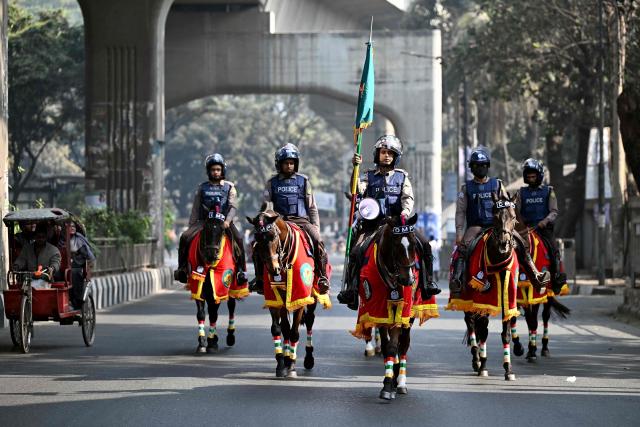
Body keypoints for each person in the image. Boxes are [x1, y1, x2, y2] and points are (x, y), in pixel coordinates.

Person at [338, 135, 440, 307]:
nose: (386, 156)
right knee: (356, 251)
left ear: (395, 157)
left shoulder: (402, 177)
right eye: (383, 152)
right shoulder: (367, 176)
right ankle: (352, 289)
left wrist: (405, 214)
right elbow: (357, 190)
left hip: (398, 224)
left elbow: (408, 198)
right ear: (377, 154)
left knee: (424, 244)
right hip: (373, 225)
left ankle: (427, 283)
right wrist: (355, 168)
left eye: (390, 153)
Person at [450, 147, 550, 295]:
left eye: (483, 165)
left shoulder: (497, 184)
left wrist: (511, 220)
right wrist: (459, 233)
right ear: (471, 167)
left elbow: (507, 204)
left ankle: (536, 276)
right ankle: (457, 280)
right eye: (477, 165)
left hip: (497, 225)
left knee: (521, 244)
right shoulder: (466, 188)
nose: (480, 168)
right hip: (476, 226)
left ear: (488, 166)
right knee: (463, 248)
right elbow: (460, 212)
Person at [254, 143, 329, 294]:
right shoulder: (271, 182)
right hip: (278, 222)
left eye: (292, 163)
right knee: (257, 245)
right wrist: (266, 218)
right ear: (279, 164)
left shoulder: (304, 181)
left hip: (301, 220)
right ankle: (259, 280)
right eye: (286, 163)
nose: (289, 166)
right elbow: (267, 205)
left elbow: (312, 207)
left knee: (318, 242)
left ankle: (321, 277)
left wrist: (316, 227)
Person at [174, 153, 248, 285]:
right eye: (213, 170)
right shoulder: (202, 188)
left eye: (218, 169)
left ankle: (241, 271)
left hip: (224, 222)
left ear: (222, 170)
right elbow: (196, 208)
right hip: (204, 222)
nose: (216, 172)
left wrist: (227, 221)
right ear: (209, 171)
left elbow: (232, 207)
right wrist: (191, 226)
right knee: (184, 237)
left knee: (239, 238)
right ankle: (182, 269)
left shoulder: (230, 187)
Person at [515, 158, 565, 292]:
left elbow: (554, 211)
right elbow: (516, 212)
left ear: (539, 176)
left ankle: (556, 278)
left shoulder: (549, 191)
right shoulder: (520, 193)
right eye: (529, 176)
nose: (531, 178)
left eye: (533, 176)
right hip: (526, 230)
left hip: (543, 229)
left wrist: (545, 220)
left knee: (554, 250)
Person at [66, 222, 96, 309]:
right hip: (64, 267)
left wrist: (88, 271)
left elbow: (90, 258)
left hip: (76, 268)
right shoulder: (62, 240)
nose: (72, 228)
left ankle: (76, 301)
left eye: (73, 226)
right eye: (69, 226)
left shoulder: (79, 241)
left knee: (74, 274)